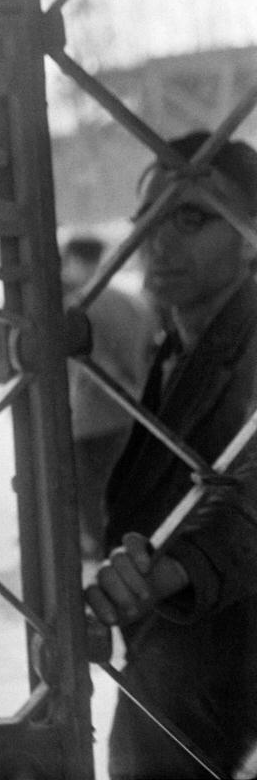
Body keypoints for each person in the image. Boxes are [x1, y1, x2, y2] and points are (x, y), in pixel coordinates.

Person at [84, 132, 257, 779]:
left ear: (250, 232)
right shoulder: (179, 343)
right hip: (182, 661)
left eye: (192, 218)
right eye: (150, 218)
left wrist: (178, 569)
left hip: (222, 667)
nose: (161, 239)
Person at [59, 233, 159, 561]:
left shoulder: (78, 306)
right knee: (122, 485)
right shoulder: (132, 300)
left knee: (90, 490)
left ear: (75, 261)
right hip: (133, 410)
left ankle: (103, 549)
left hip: (91, 414)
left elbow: (96, 362)